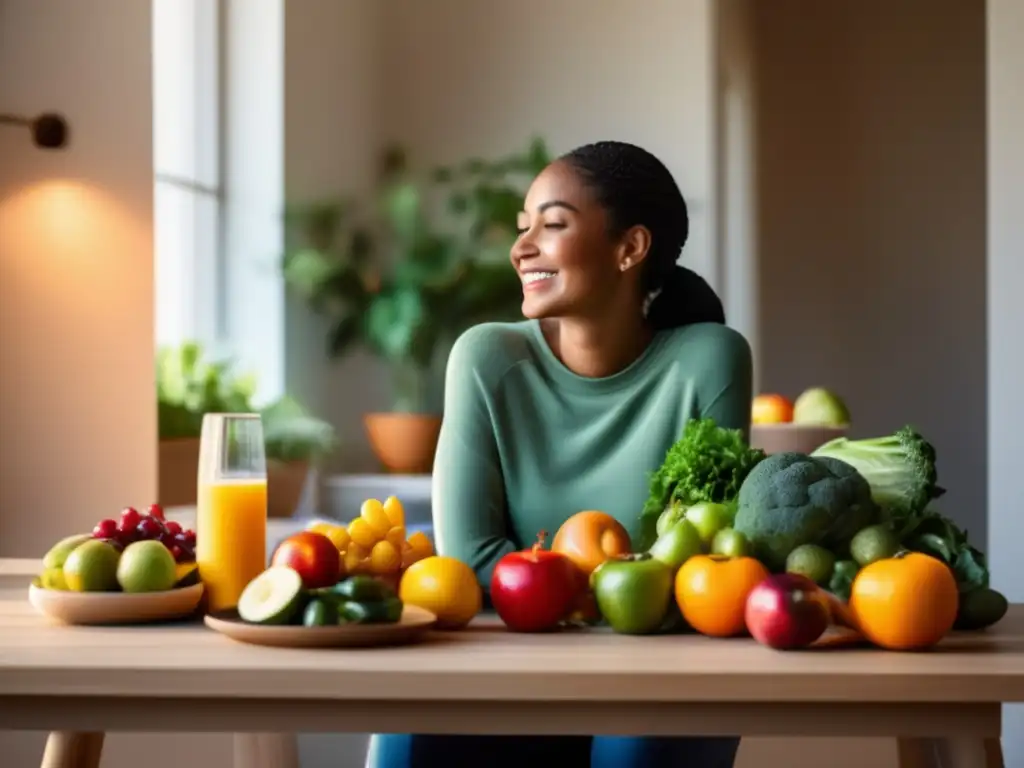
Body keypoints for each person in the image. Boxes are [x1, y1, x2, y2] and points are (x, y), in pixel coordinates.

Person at [368, 140, 751, 768]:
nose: (521, 249)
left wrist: (549, 582)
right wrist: (621, 588)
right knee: (407, 740)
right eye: (524, 229)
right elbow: (468, 558)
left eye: (552, 225)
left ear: (630, 248)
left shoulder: (710, 360)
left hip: (660, 669)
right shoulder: (486, 358)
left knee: (636, 747)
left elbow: (704, 565)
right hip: (511, 665)